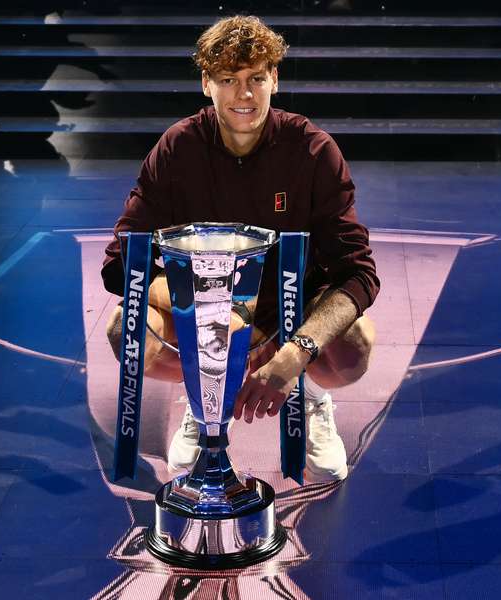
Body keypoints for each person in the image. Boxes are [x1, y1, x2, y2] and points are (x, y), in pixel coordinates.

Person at [101, 15, 379, 482]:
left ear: (275, 78)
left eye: (255, 78)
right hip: (206, 312)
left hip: (291, 311)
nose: (243, 95)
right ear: (206, 83)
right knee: (125, 331)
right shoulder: (176, 148)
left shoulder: (312, 150)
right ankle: (204, 397)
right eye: (228, 80)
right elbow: (120, 265)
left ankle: (309, 396)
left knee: (355, 345)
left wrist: (297, 351)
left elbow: (358, 273)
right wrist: (214, 307)